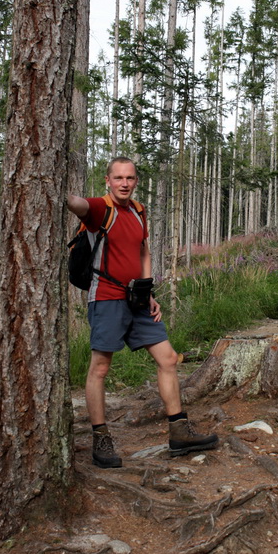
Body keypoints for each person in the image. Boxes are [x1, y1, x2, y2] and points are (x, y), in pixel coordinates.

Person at [67, 156, 218, 467]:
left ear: (136, 182)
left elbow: (143, 251)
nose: (124, 183)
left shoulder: (138, 211)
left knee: (168, 359)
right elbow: (75, 203)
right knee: (100, 369)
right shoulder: (99, 209)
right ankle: (101, 439)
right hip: (106, 298)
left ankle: (179, 432)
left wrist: (147, 291)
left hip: (137, 300)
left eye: (130, 178)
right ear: (107, 181)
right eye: (118, 178)